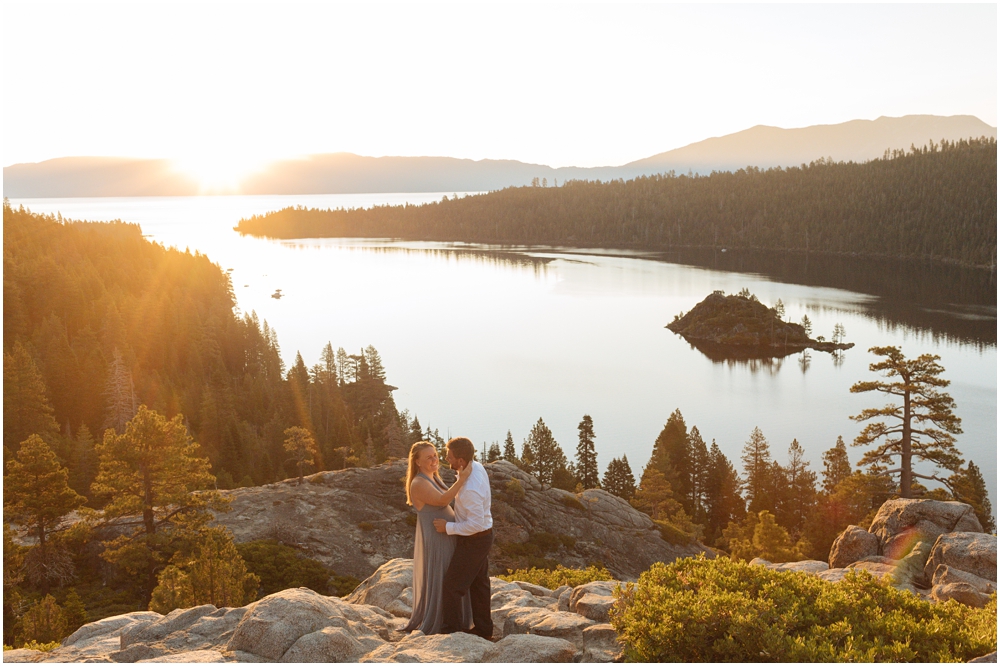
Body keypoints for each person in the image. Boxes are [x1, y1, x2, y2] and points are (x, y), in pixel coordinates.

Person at [403, 441, 474, 634]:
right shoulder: (418, 483)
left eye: (435, 455)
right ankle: (442, 621)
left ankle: (454, 619)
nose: (435, 460)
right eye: (429, 457)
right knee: (443, 576)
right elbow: (443, 500)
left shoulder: (433, 477)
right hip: (437, 538)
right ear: (417, 462)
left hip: (446, 534)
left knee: (451, 577)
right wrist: (462, 478)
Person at [433, 437, 494, 640]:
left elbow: (475, 524)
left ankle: (452, 632)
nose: (446, 458)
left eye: (449, 455)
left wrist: (448, 527)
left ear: (460, 460)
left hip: (475, 539)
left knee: (452, 586)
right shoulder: (474, 466)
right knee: (479, 585)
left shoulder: (471, 489)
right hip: (482, 536)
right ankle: (484, 631)